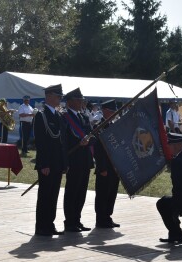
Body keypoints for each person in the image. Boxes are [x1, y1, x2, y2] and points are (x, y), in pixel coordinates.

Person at [33, 84, 68, 236]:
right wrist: (43, 164)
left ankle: (50, 224)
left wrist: (64, 163)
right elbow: (41, 143)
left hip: (57, 163)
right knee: (45, 195)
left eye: (60, 97)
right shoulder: (41, 116)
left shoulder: (58, 116)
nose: (60, 99)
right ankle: (41, 226)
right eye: (57, 96)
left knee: (53, 195)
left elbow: (62, 143)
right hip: (47, 163)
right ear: (49, 97)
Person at [62, 88, 94, 232]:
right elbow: (64, 139)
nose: (81, 102)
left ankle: (77, 219)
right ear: (69, 102)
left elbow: (90, 134)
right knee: (72, 191)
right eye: (78, 99)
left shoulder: (84, 117)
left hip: (85, 159)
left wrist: (89, 140)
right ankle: (69, 221)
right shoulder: (64, 117)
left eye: (82, 99)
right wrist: (78, 143)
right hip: (73, 158)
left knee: (81, 191)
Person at [94, 99, 121, 228]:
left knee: (112, 192)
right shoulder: (99, 127)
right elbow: (98, 150)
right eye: (111, 111)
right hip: (105, 166)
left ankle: (108, 216)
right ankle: (101, 218)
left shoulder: (114, 126)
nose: (114, 114)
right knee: (103, 193)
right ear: (105, 111)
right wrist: (102, 167)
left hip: (115, 166)